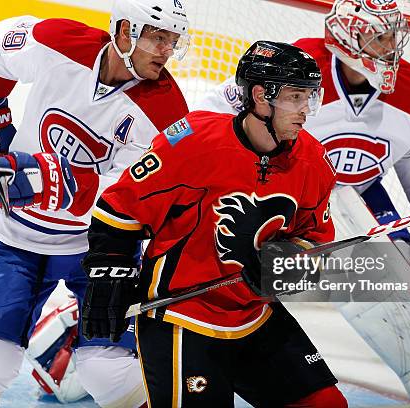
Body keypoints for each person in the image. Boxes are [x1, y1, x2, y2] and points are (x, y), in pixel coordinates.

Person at [195, 0, 410, 406]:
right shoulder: (296, 67)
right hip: (274, 196)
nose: (390, 46)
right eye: (377, 36)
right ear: (345, 36)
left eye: (393, 35)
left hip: (358, 200)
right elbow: (212, 118)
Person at [0, 0, 190, 407]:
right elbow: (1, 42)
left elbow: (136, 196)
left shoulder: (167, 112)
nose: (166, 50)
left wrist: (47, 178)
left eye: (173, 40)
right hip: (14, 240)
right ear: (125, 30)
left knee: (105, 368)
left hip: (100, 250)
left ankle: (73, 327)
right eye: (158, 36)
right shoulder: (59, 43)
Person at [81, 40, 347, 408]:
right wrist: (108, 282)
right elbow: (117, 210)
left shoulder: (312, 161)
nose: (305, 111)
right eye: (295, 98)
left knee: (325, 405)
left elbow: (313, 240)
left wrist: (283, 265)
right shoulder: (192, 141)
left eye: (308, 99)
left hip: (254, 314)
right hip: (181, 316)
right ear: (260, 95)